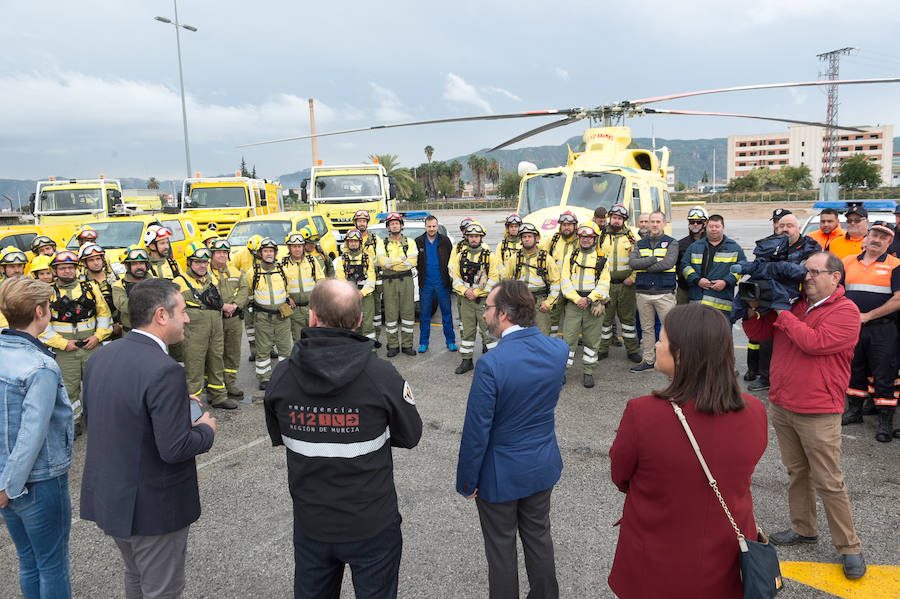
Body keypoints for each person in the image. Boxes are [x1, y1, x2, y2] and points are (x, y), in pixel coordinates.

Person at [264, 279, 422, 599]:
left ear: (311, 317)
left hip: (312, 525)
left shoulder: (282, 377)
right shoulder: (380, 376)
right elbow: (410, 435)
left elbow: (280, 434)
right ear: (359, 319)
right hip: (372, 524)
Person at [608, 303, 767, 598]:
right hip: (727, 554)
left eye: (662, 338)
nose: (656, 343)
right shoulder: (755, 410)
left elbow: (621, 476)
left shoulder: (643, 413)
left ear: (681, 353)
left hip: (657, 554)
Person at [80, 278, 217, 598]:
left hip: (112, 498)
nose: (187, 318)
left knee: (136, 575)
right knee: (162, 589)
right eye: (182, 311)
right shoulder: (163, 369)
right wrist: (206, 431)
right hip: (152, 508)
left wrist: (172, 409)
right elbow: (175, 447)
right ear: (161, 315)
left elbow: (110, 416)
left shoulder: (103, 355)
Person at [742, 251, 866, 580]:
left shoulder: (846, 311)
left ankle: (849, 547)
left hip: (818, 410)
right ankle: (804, 529)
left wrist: (782, 310)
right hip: (783, 404)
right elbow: (757, 334)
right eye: (804, 272)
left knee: (828, 480)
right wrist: (755, 308)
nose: (805, 277)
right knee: (797, 472)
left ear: (835, 278)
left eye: (813, 272)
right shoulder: (795, 304)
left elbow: (814, 342)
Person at [456, 279, 567, 599]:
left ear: (504, 314)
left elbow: (477, 431)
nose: (485, 314)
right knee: (538, 538)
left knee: (502, 550)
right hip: (541, 465)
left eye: (488, 308)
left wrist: (467, 481)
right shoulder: (558, 349)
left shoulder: (491, 364)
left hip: (499, 473)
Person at [0, 276, 74, 599]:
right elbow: (32, 434)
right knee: (52, 566)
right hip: (36, 482)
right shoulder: (40, 366)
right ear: (40, 312)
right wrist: (10, 486)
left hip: (5, 479)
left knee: (28, 561)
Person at [39, 250, 112, 435]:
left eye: (70, 267)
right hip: (65, 352)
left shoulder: (90, 288)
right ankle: (74, 422)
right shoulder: (46, 293)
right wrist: (63, 344)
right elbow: (41, 325)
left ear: (76, 268)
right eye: (62, 268)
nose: (67, 271)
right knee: (68, 389)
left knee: (97, 385)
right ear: (55, 270)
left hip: (92, 347)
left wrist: (98, 336)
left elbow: (104, 315)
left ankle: (98, 419)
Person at [840, 221, 900, 442]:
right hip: (853, 329)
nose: (877, 239)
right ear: (868, 235)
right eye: (874, 234)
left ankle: (885, 421)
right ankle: (854, 411)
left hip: (882, 330)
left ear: (890, 242)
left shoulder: (896, 265)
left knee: (885, 375)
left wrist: (868, 316)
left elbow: (898, 299)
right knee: (854, 370)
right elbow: (838, 290)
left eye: (883, 237)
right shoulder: (847, 262)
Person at [175, 243, 234, 409]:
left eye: (205, 262)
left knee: (216, 362)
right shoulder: (179, 282)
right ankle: (192, 406)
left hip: (215, 328)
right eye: (198, 262)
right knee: (194, 368)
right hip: (194, 333)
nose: (202, 265)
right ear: (189, 263)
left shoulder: (210, 279)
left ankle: (218, 397)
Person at [560, 225, 610, 388]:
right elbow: (564, 280)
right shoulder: (571, 255)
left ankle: (589, 372)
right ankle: (562, 371)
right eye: (582, 237)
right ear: (579, 238)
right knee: (568, 339)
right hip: (574, 304)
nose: (586, 239)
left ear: (594, 239)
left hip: (593, 304)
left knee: (592, 340)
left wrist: (589, 299)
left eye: (589, 237)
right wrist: (576, 299)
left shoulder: (601, 259)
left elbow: (604, 284)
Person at [629, 211, 678, 372]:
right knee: (647, 329)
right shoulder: (640, 243)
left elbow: (668, 263)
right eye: (652, 222)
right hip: (643, 293)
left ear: (664, 223)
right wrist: (653, 260)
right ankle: (648, 360)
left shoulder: (672, 243)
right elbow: (633, 263)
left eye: (658, 221)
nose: (655, 224)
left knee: (671, 328)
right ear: (648, 224)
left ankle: (674, 360)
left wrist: (645, 265)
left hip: (664, 293)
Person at [450, 222, 499, 374]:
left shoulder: (489, 256)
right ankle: (466, 361)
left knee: (488, 332)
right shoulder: (460, 256)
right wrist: (465, 291)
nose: (473, 239)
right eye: (471, 236)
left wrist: (476, 292)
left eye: (476, 236)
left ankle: (493, 364)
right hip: (466, 300)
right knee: (468, 332)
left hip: (484, 301)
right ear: (466, 237)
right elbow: (456, 278)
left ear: (481, 237)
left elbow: (494, 278)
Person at [595, 204, 641, 362]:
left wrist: (633, 278)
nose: (616, 221)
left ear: (624, 220)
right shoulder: (600, 236)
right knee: (604, 320)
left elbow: (640, 260)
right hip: (606, 286)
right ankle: (603, 349)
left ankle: (632, 350)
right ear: (610, 218)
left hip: (626, 285)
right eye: (614, 218)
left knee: (628, 321)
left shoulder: (632, 237)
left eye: (619, 219)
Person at [500, 222, 562, 336]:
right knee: (521, 335)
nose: (527, 239)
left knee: (542, 336)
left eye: (529, 236)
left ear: (536, 238)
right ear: (520, 239)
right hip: (520, 303)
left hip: (540, 303)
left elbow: (556, 282)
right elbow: (505, 281)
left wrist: (548, 303)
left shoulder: (546, 259)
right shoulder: (514, 259)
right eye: (524, 237)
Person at [209, 238, 250, 402]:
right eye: (219, 252)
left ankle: (230, 384)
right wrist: (223, 306)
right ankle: (215, 388)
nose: (222, 256)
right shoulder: (206, 272)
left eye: (225, 253)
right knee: (215, 354)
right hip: (215, 318)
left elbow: (244, 288)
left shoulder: (235, 271)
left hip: (233, 317)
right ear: (212, 254)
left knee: (232, 352)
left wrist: (235, 305)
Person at [680, 214, 744, 319]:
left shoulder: (734, 248)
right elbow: (685, 265)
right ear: (706, 227)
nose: (714, 229)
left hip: (722, 305)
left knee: (721, 335)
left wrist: (726, 282)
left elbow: (741, 269)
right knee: (696, 334)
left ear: (723, 228)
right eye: (711, 226)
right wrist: (697, 280)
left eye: (717, 226)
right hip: (697, 301)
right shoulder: (695, 247)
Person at [250, 237, 294, 390]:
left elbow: (288, 290)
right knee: (263, 349)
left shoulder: (283, 270)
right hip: (262, 317)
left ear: (276, 253)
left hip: (282, 316)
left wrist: (288, 300)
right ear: (260, 253)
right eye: (265, 251)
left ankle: (284, 376)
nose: (268, 254)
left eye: (271, 251)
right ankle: (264, 378)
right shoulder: (252, 272)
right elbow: (248, 294)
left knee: (285, 348)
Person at [377, 212, 418, 356]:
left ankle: (407, 345)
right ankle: (393, 345)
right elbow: (382, 262)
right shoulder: (382, 243)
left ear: (401, 225)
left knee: (407, 312)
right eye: (391, 224)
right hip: (389, 282)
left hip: (406, 281)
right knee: (390, 313)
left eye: (397, 223)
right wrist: (401, 261)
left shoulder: (410, 242)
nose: (394, 226)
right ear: (388, 227)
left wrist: (392, 264)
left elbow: (412, 262)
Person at [414, 215, 456, 353]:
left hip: (442, 283)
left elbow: (452, 261)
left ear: (437, 226)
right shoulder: (418, 241)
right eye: (429, 226)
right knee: (425, 315)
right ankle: (423, 343)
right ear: (425, 227)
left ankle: (450, 341)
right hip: (426, 283)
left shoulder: (445, 241)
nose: (431, 229)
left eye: (434, 226)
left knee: (447, 314)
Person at [335, 229, 377, 342]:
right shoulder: (342, 260)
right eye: (350, 241)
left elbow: (371, 279)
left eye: (355, 241)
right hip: (349, 298)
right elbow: (341, 280)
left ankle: (370, 350)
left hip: (366, 297)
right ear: (347, 243)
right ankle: (357, 351)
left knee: (368, 325)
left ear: (360, 242)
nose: (353, 243)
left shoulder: (367, 259)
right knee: (353, 325)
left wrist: (361, 293)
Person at [542, 211, 580, 336]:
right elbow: (543, 258)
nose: (567, 227)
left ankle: (571, 343)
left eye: (570, 224)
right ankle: (552, 342)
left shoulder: (581, 241)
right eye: (564, 224)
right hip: (556, 286)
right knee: (553, 317)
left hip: (573, 286)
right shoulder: (553, 240)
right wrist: (546, 277)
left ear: (575, 225)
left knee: (573, 317)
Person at [283, 232, 324, 343]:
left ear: (303, 247)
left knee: (315, 337)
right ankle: (302, 360)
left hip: (311, 307)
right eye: (294, 246)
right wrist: (286, 297)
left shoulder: (311, 261)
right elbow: (279, 284)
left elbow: (320, 279)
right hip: (295, 309)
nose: (297, 249)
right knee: (299, 339)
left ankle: (314, 359)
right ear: (289, 247)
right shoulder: (283, 263)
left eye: (300, 246)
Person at [353, 210, 385, 346]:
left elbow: (381, 257)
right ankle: (359, 338)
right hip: (356, 281)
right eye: (359, 221)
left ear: (367, 223)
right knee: (357, 310)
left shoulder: (375, 239)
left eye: (364, 221)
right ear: (355, 223)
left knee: (376, 311)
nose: (361, 223)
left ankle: (375, 337)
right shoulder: (351, 239)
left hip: (375, 279)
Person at [112, 246, 152, 332]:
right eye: (134, 264)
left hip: (155, 332)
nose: (139, 267)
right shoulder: (119, 286)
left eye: (141, 263)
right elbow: (124, 306)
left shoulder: (155, 282)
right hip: (130, 333)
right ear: (126, 266)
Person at [676, 206, 707, 305]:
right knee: (682, 316)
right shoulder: (680, 244)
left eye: (698, 222)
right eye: (692, 222)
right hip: (685, 289)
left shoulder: (711, 243)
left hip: (705, 288)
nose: (695, 225)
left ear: (705, 223)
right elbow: (677, 267)